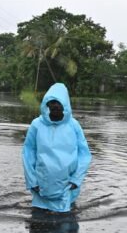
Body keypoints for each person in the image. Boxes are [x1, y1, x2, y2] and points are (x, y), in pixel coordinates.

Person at [22, 83, 91, 213]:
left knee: (65, 220)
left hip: (67, 186)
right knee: (38, 221)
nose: (55, 106)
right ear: (46, 104)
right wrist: (32, 181)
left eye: (59, 102)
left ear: (66, 104)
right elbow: (28, 153)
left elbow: (84, 155)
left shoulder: (74, 125)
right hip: (41, 186)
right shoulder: (36, 125)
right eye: (52, 102)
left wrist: (76, 180)